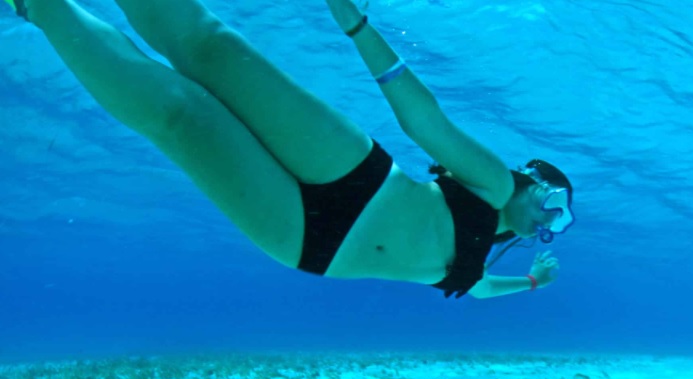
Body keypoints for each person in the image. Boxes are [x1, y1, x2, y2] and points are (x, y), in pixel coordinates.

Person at [2, 0, 573, 299]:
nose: (551, 220)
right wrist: (356, 27)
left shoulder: (477, 260)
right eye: (554, 202)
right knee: (212, 50)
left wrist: (528, 284)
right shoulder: (495, 182)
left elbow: (478, 292)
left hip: (308, 243)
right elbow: (425, 120)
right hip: (360, 180)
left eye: (560, 221)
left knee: (182, 116)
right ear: (531, 180)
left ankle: (40, 4)